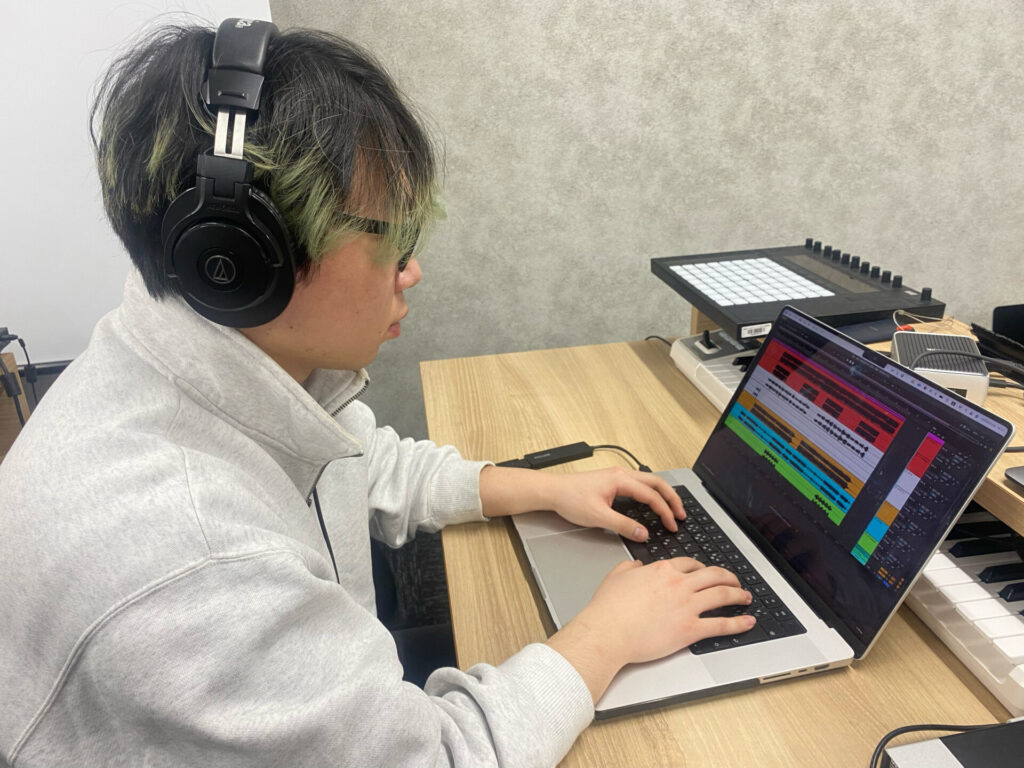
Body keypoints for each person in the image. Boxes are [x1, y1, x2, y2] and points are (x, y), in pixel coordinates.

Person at [0, 19, 754, 768]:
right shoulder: (199, 566)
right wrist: (606, 635)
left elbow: (359, 463)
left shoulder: (204, 353)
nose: (411, 270)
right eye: (392, 239)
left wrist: (541, 489)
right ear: (241, 257)